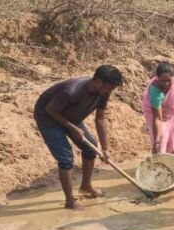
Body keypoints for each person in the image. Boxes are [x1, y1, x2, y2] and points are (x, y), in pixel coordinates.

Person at [34, 65, 123, 210]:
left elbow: (100, 119)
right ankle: (70, 201)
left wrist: (105, 148)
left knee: (90, 148)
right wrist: (72, 128)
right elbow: (50, 109)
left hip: (71, 116)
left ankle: (86, 186)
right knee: (66, 158)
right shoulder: (72, 91)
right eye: (108, 88)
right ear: (99, 82)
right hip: (48, 117)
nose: (109, 92)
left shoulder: (103, 92)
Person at [142, 62, 174, 160]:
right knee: (162, 138)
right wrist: (156, 142)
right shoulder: (155, 91)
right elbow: (158, 119)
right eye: (162, 81)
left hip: (173, 109)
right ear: (157, 77)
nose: (166, 84)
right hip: (157, 113)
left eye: (169, 80)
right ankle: (161, 163)